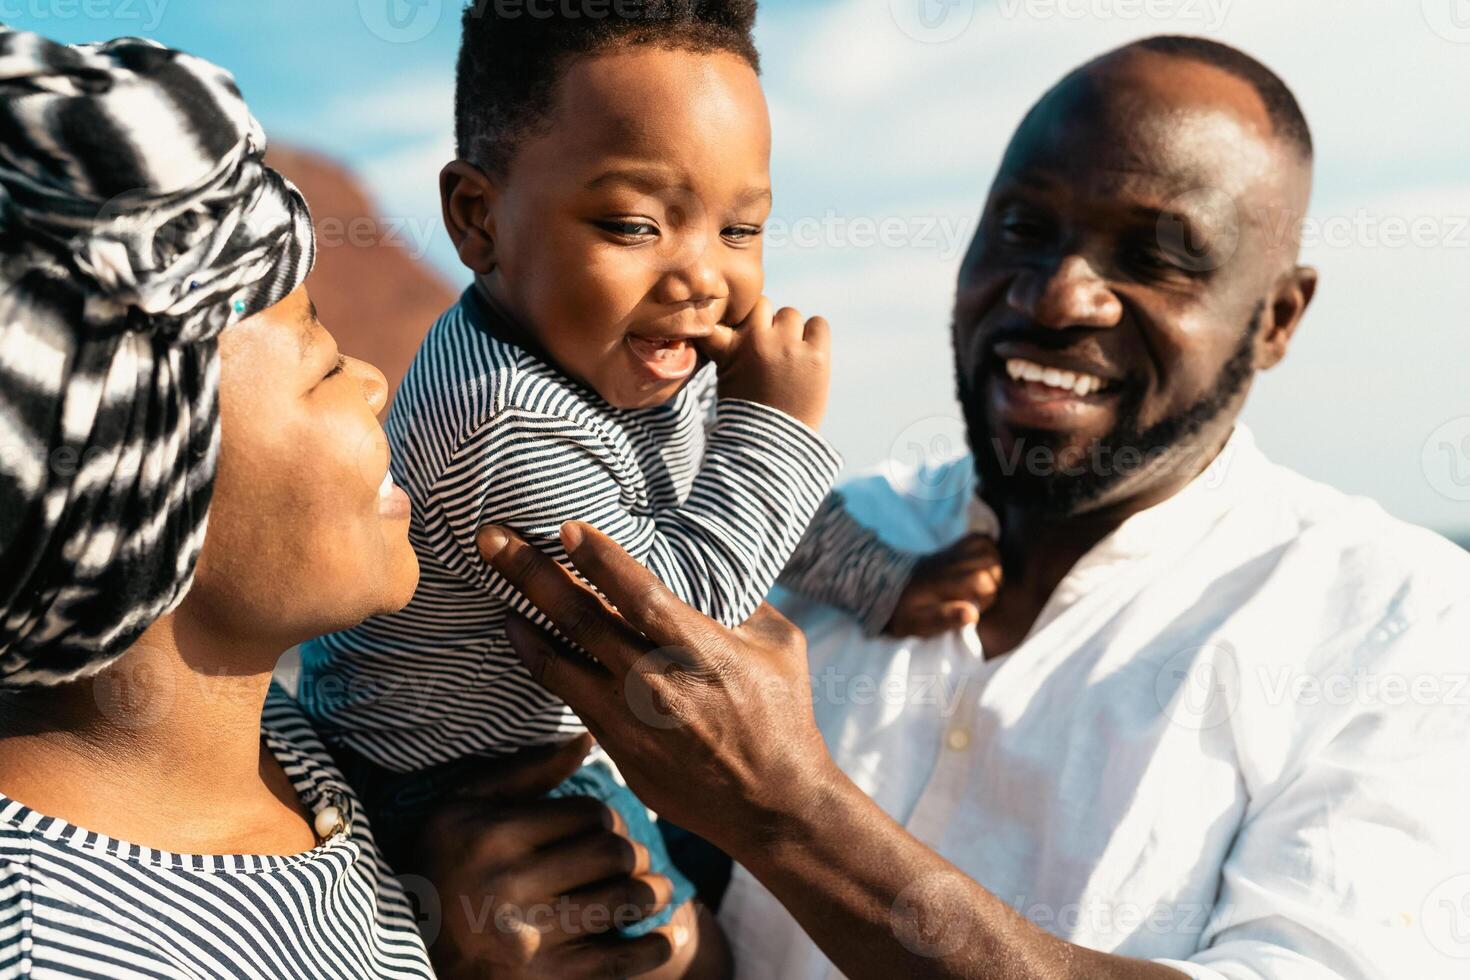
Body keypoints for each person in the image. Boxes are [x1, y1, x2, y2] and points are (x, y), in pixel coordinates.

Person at [468, 35, 1470, 980]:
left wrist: (789, 810)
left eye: (1158, 255)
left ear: (1277, 317)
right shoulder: (795, 541)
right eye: (1025, 230)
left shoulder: (1401, 623)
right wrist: (591, 927)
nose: (1059, 296)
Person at [297, 0, 999, 950]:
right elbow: (676, 627)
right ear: (478, 219)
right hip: (444, 788)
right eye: (634, 226)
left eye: (740, 231)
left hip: (539, 747)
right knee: (674, 949)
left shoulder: (620, 348)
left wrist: (888, 583)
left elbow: (739, 493)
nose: (701, 276)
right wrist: (779, 423)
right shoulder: (502, 415)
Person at [0, 27, 689, 980]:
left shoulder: (273, 749)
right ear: (138, 472)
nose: (372, 380)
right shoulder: (63, 948)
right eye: (321, 357)